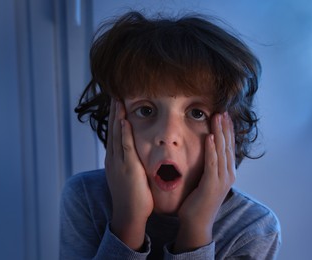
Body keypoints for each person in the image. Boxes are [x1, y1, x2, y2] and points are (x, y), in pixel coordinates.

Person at [60, 10, 281, 260]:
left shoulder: (253, 230)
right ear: (114, 121)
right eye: (146, 110)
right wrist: (128, 221)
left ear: (230, 134)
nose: (167, 135)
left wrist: (196, 229)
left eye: (197, 113)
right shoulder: (86, 199)